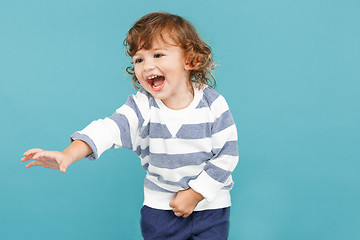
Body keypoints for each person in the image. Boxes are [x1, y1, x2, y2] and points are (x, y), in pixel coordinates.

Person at [21, 12, 239, 240]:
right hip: (161, 211)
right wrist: (68, 154)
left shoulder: (213, 103)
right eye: (139, 59)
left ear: (190, 60)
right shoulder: (141, 106)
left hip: (210, 208)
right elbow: (107, 129)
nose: (147, 66)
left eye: (158, 54)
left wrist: (195, 194)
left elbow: (227, 155)